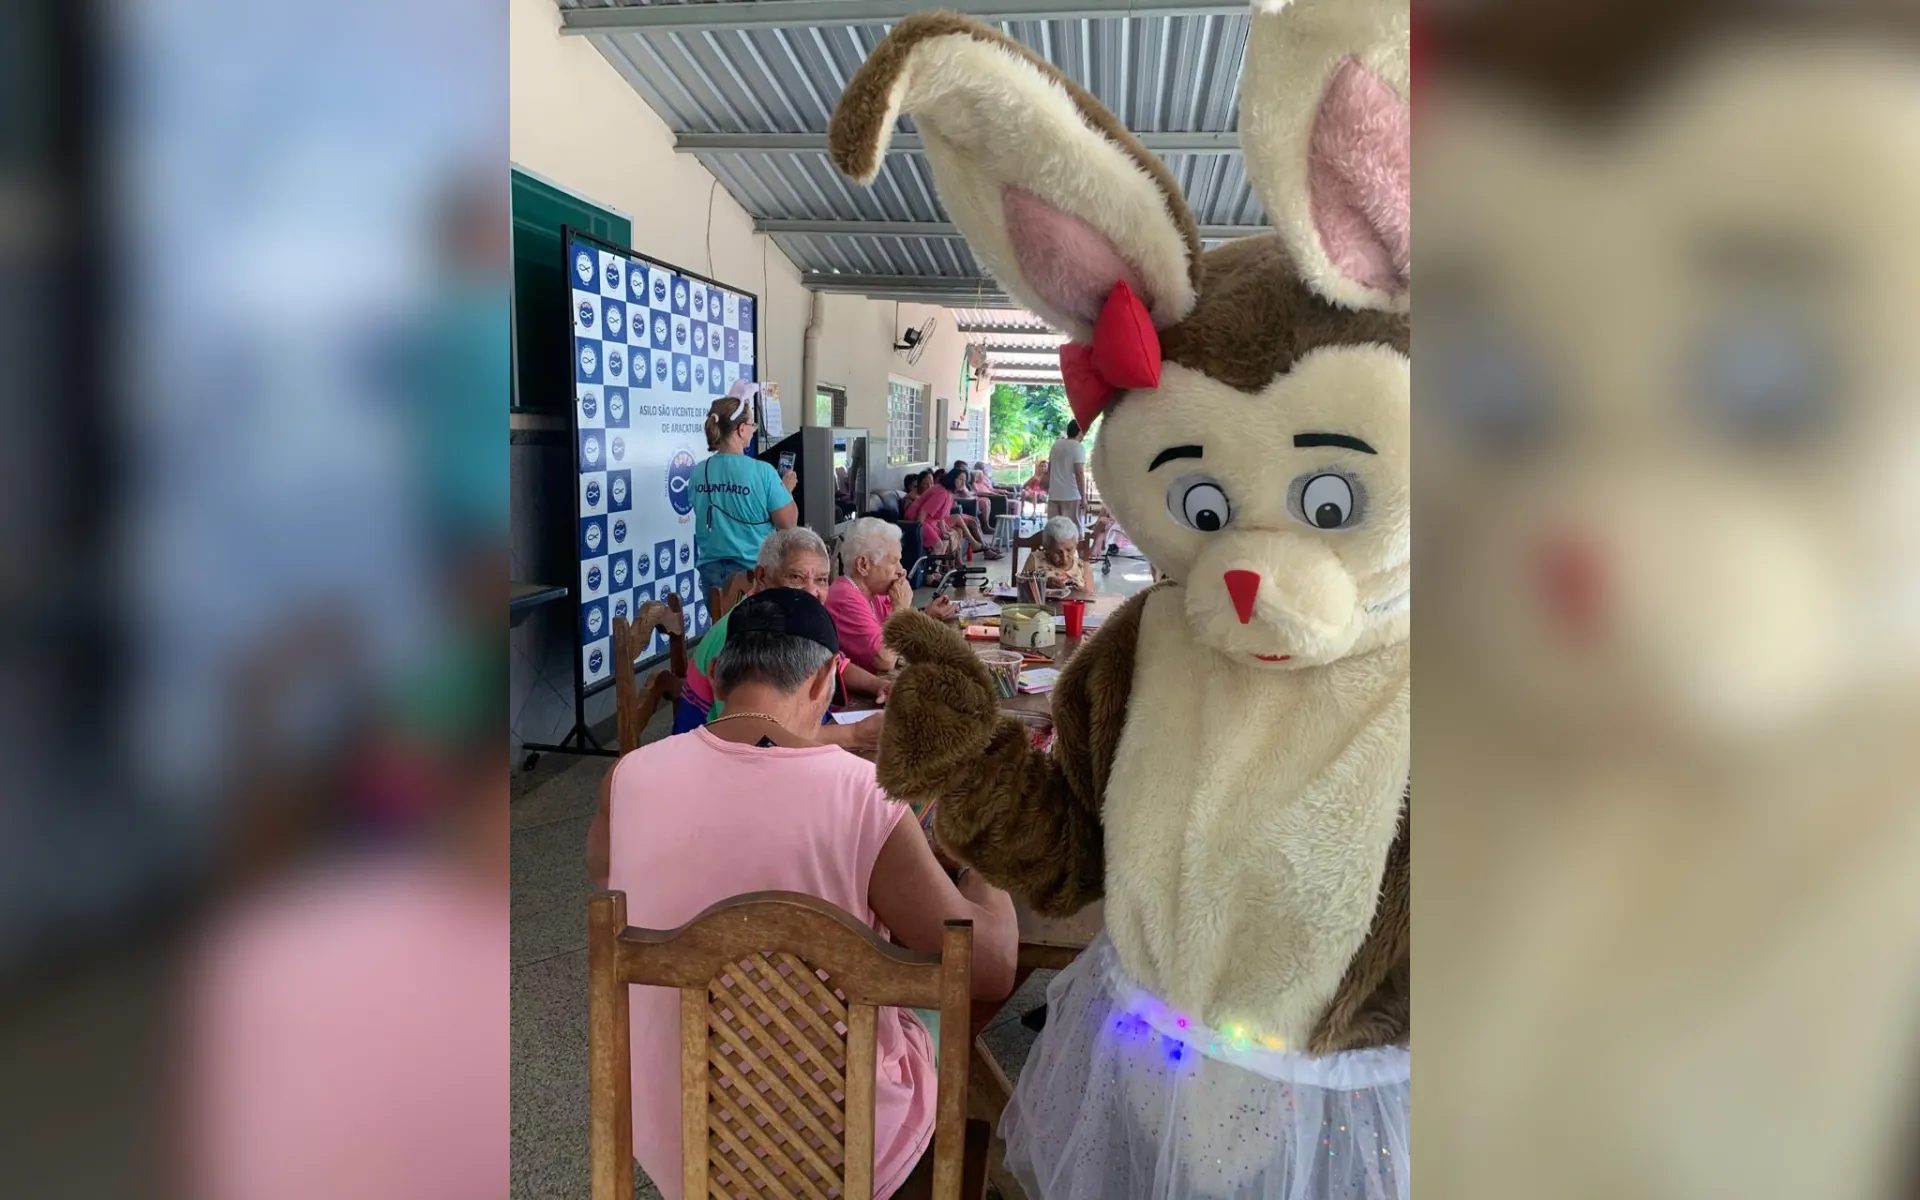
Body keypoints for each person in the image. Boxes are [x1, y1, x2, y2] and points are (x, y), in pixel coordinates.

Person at [589, 588, 1019, 1200]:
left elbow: (604, 870)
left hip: (676, 1137)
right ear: (823, 681)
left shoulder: (628, 777)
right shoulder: (865, 795)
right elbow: (992, 967)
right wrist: (986, 855)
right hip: (842, 1150)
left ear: (717, 670)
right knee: (934, 999)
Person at [675, 528, 890, 755]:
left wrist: (880, 686)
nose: (812, 592)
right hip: (714, 759)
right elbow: (754, 733)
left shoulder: (794, 619)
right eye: (796, 577)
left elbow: (837, 665)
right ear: (761, 577)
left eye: (821, 580)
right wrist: (854, 735)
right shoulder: (745, 635)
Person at [692, 382, 799, 596]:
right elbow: (788, 523)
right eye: (752, 425)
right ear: (741, 429)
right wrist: (786, 490)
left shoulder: (698, 472)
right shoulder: (764, 472)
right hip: (751, 574)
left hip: (710, 574)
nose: (752, 430)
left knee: (722, 629)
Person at [827, 518, 958, 674]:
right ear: (863, 565)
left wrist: (927, 615)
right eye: (893, 561)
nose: (901, 570)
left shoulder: (874, 591)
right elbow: (885, 659)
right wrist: (901, 609)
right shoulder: (844, 597)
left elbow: (896, 632)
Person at [904, 469, 1001, 560]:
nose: (963, 483)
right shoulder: (941, 492)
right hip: (918, 521)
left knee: (949, 535)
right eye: (960, 479)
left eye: (965, 480)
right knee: (940, 543)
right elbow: (923, 512)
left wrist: (944, 530)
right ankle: (932, 574)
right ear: (952, 478)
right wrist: (918, 531)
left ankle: (939, 571)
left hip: (931, 521)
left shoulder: (948, 493)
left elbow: (941, 516)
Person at [1018, 516, 1095, 594]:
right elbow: (1021, 589)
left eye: (1069, 550)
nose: (1064, 558)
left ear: (1076, 545)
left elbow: (1092, 598)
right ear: (1047, 548)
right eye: (1058, 552)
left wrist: (1083, 593)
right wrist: (1042, 583)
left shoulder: (1083, 566)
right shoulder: (1035, 559)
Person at [1046, 420, 1088, 529]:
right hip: (1071, 495)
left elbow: (1049, 469)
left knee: (1054, 531)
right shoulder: (1078, 447)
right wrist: (1083, 498)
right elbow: (1079, 473)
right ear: (1080, 432)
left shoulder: (1056, 445)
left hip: (1054, 494)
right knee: (1073, 531)